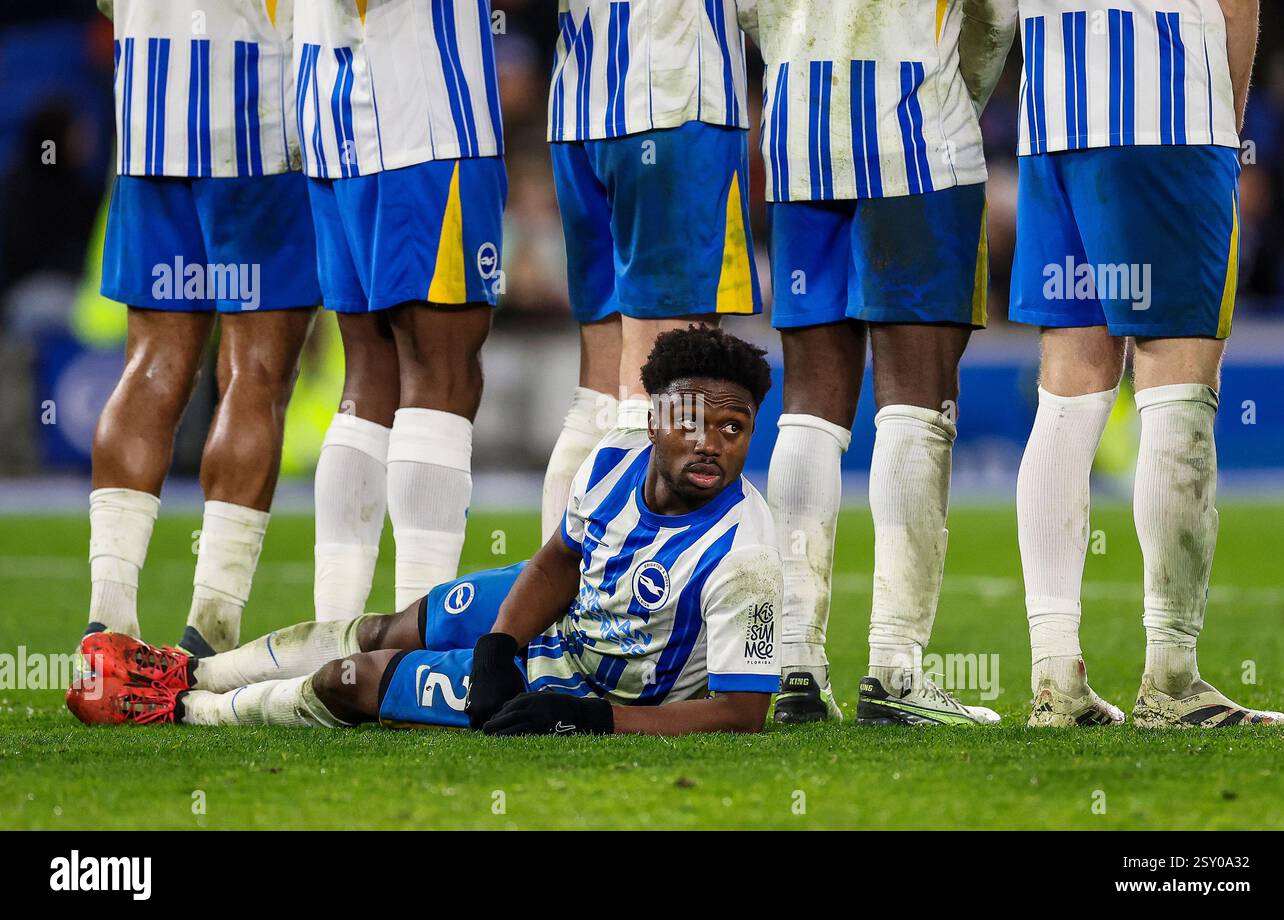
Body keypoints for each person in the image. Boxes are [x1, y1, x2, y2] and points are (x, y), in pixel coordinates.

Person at [68, 327, 785, 737]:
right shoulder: (610, 463)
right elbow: (559, 562)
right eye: (694, 422)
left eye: (734, 428)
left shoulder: (746, 557)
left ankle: (191, 712)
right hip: (570, 617)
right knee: (392, 626)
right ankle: (189, 669)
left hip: (597, 685)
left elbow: (743, 712)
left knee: (350, 680)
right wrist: (503, 643)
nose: (713, 444)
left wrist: (591, 719)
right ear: (655, 421)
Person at [1010, 0, 1284, 727]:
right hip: (1168, 110)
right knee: (1178, 381)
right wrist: (1223, 131)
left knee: (1068, 388)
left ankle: (1054, 680)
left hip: (1052, 116)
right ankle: (1171, 676)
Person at [740, 0, 1016, 724]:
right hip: (919, 130)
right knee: (918, 399)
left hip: (799, 133)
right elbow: (992, 17)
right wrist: (957, 95)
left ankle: (795, 660)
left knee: (809, 399)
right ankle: (896, 671)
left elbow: (744, 13)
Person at [88, 0, 319, 656]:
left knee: (152, 364)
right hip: (255, 121)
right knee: (257, 372)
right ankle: (209, 629)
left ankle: (107, 620)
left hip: (147, 117)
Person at [297, 0, 506, 621]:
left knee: (369, 374)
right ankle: (415, 632)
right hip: (427, 106)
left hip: (328, 106)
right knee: (442, 372)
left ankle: (333, 630)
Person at [539, 0, 763, 545]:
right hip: (674, 91)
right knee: (666, 384)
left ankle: (561, 603)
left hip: (580, 106)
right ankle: (619, 591)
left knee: (599, 389)